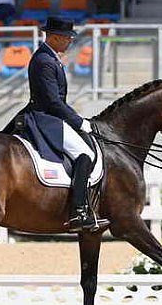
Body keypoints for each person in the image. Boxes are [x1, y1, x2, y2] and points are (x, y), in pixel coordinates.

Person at [10, 16, 109, 232]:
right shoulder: (44, 60)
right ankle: (79, 211)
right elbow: (53, 101)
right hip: (45, 117)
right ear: (54, 37)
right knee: (85, 154)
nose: (70, 41)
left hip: (52, 114)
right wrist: (78, 122)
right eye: (67, 37)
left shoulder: (50, 57)